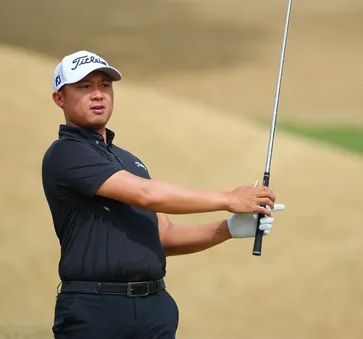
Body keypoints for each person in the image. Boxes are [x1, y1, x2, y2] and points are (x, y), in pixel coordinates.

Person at [41, 50, 286, 339]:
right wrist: (227, 199)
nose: (98, 94)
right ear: (60, 98)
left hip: (153, 309)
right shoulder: (66, 153)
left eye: (105, 85)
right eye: (85, 86)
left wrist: (228, 228)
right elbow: (146, 194)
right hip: (96, 309)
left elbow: (164, 235)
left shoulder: (127, 160)